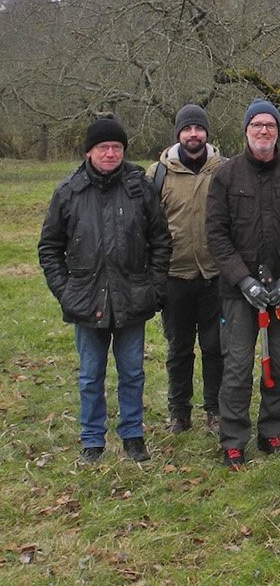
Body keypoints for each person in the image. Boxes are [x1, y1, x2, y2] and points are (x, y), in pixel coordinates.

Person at [39, 116, 171, 464]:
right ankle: (92, 439)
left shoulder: (141, 189)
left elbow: (161, 242)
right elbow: (49, 248)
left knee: (132, 373)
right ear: (88, 152)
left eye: (116, 147)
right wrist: (66, 292)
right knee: (89, 375)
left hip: (132, 297)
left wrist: (154, 287)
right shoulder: (69, 192)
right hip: (86, 299)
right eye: (103, 147)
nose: (110, 153)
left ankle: (133, 435)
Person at [206, 100, 280, 470]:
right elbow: (216, 234)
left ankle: (272, 432)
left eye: (270, 125)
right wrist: (243, 280)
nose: (264, 131)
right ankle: (233, 440)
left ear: (278, 132)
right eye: (257, 125)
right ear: (246, 131)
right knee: (237, 366)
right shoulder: (226, 176)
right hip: (239, 292)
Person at [152, 103, 224, 435]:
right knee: (179, 349)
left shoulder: (223, 170)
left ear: (206, 132)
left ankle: (215, 410)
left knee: (215, 347)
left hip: (215, 275)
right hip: (174, 275)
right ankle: (179, 412)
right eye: (187, 129)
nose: (193, 134)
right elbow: (149, 226)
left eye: (198, 128)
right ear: (178, 134)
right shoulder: (157, 175)